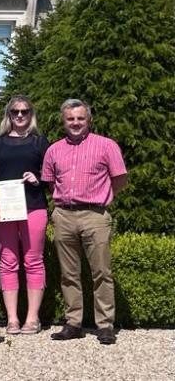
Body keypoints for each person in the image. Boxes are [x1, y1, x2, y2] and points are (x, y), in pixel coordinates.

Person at [42, 98, 127, 345]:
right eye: (71, 118)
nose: (76, 123)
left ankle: (105, 325)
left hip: (95, 215)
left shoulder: (106, 146)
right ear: (64, 120)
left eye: (80, 118)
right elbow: (50, 182)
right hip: (64, 215)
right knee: (69, 273)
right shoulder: (54, 150)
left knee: (101, 272)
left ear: (88, 120)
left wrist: (104, 198)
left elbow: (119, 179)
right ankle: (74, 323)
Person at [0, 95, 50, 335]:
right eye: (15, 112)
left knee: (33, 261)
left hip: (34, 207)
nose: (20, 115)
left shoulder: (40, 142)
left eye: (24, 111)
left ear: (31, 114)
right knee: (8, 262)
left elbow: (52, 176)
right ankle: (12, 318)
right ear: (8, 115)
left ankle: (32, 318)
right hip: (5, 210)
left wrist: (38, 179)